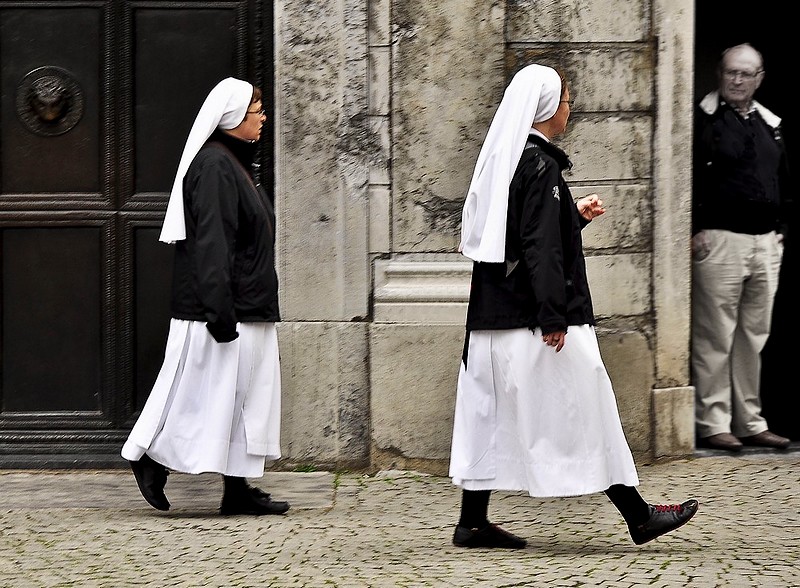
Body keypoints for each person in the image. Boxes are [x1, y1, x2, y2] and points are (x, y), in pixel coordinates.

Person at [449, 63, 698, 549]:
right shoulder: (540, 166)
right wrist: (553, 315)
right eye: (566, 100)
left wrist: (570, 216)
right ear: (546, 109)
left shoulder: (509, 160)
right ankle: (639, 515)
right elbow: (539, 247)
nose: (570, 108)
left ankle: (473, 522)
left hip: (493, 320)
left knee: (488, 413)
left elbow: (515, 236)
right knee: (589, 406)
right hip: (534, 320)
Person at [121, 77, 290, 515]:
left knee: (244, 399)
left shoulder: (234, 164)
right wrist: (219, 312)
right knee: (198, 396)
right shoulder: (215, 167)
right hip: (220, 307)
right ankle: (150, 458)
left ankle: (237, 490)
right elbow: (213, 244)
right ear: (234, 119)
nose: (264, 119)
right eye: (258, 112)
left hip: (247, 303)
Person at [692, 43, 793, 452]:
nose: (737, 80)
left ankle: (750, 420)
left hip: (765, 242)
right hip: (719, 241)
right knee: (715, 335)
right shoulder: (702, 119)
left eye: (745, 74)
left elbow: (783, 179)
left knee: (753, 336)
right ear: (720, 73)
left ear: (759, 78)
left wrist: (782, 228)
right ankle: (712, 421)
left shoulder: (771, 124)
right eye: (731, 72)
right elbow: (688, 175)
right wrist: (694, 229)